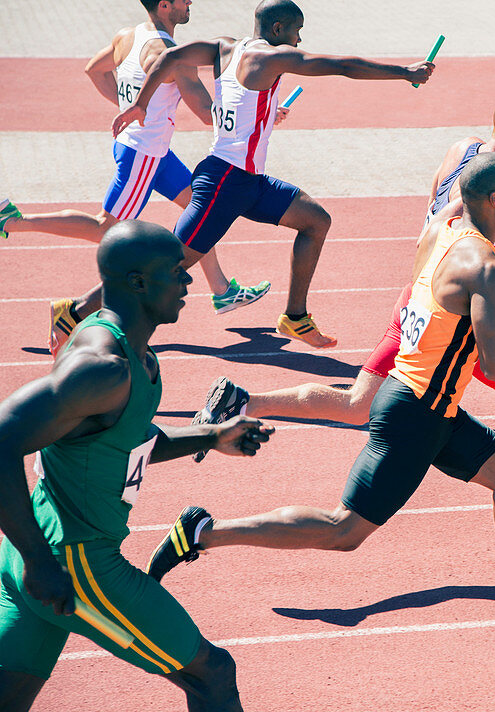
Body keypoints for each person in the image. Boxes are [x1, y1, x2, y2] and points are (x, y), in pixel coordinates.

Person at [145, 153, 495, 630]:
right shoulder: (489, 266)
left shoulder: (444, 232)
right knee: (343, 531)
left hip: (426, 403)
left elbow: (470, 293)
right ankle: (202, 533)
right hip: (416, 416)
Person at [190, 91, 495, 538]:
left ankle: (240, 402)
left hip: (418, 298)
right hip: (446, 321)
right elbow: (459, 250)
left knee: (357, 404)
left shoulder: (463, 150)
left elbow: (435, 228)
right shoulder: (483, 204)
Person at [0, 220, 274, 712]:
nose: (190, 281)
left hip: (38, 552)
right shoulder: (102, 366)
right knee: (211, 673)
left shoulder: (134, 353)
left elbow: (121, 439)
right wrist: (42, 562)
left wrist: (211, 436)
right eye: (178, 271)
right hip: (74, 563)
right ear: (139, 283)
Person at [111, 0, 435, 349]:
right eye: (296, 33)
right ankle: (84, 312)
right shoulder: (271, 58)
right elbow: (341, 66)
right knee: (167, 268)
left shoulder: (224, 48)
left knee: (315, 221)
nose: (298, 42)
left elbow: (169, 58)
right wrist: (405, 72)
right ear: (278, 29)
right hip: (222, 183)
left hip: (249, 182)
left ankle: (295, 317)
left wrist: (142, 101)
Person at [0, 0, 271, 356]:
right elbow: (209, 115)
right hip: (144, 154)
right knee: (105, 229)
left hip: (147, 150)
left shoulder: (127, 36)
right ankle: (14, 222)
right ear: (164, 5)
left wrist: (128, 109)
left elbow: (93, 70)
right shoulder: (173, 55)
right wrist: (263, 107)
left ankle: (221, 290)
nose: (191, 2)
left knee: (199, 208)